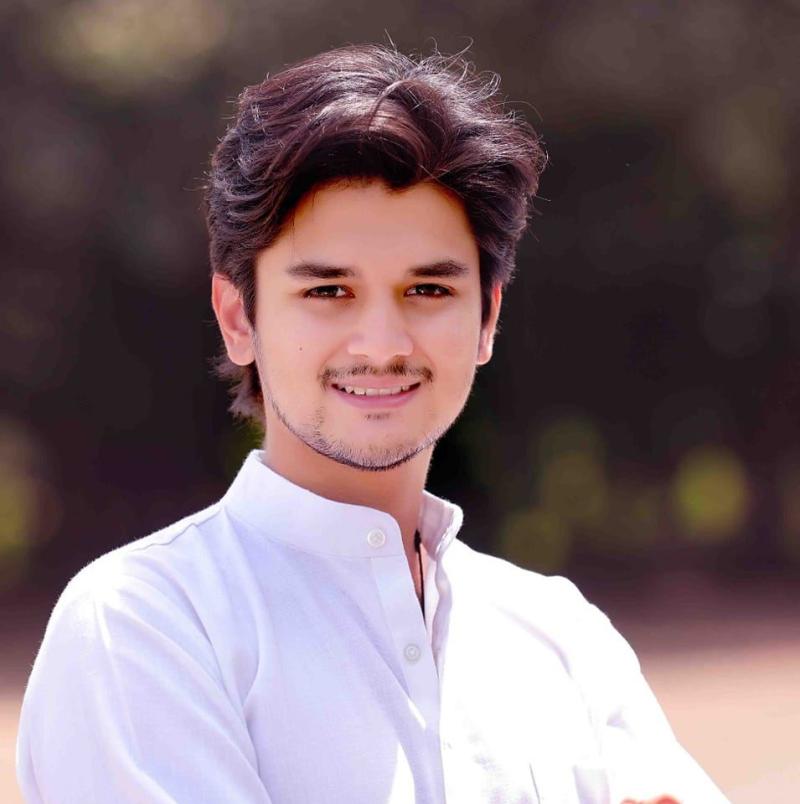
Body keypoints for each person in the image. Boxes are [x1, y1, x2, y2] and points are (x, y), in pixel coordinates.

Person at [16, 45, 728, 804]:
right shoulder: (147, 623)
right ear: (239, 317)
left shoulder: (560, 634)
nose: (382, 345)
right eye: (328, 292)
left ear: (487, 318)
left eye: (428, 290)